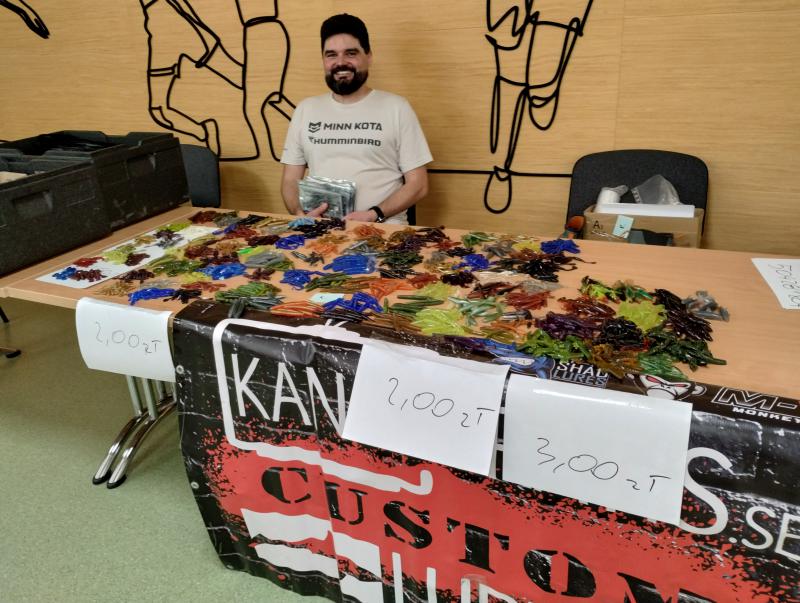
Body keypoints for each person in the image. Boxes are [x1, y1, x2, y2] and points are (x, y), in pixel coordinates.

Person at [280, 13, 432, 224]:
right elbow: (290, 180)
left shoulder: (397, 108)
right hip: (321, 231)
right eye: (331, 55)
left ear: (368, 56)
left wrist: (374, 214)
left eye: (350, 53)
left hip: (381, 230)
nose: (340, 62)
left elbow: (418, 184)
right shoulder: (306, 109)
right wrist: (299, 213)